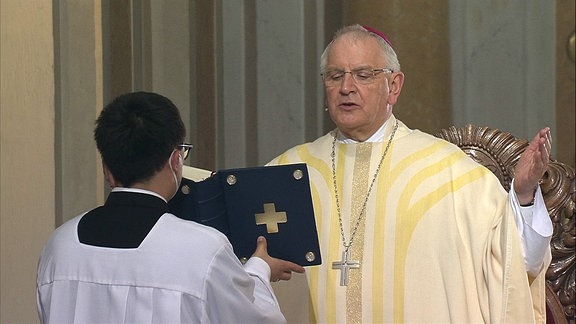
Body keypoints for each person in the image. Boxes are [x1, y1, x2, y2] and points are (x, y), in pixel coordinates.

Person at [268, 25, 553, 323]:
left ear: (394, 86)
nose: (346, 87)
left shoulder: (450, 173)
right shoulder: (288, 174)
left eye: (363, 75)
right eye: (335, 75)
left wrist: (522, 195)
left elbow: (514, 263)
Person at [36, 91, 304, 323]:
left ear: (107, 168)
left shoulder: (59, 246)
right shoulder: (201, 249)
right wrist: (259, 268)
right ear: (176, 160)